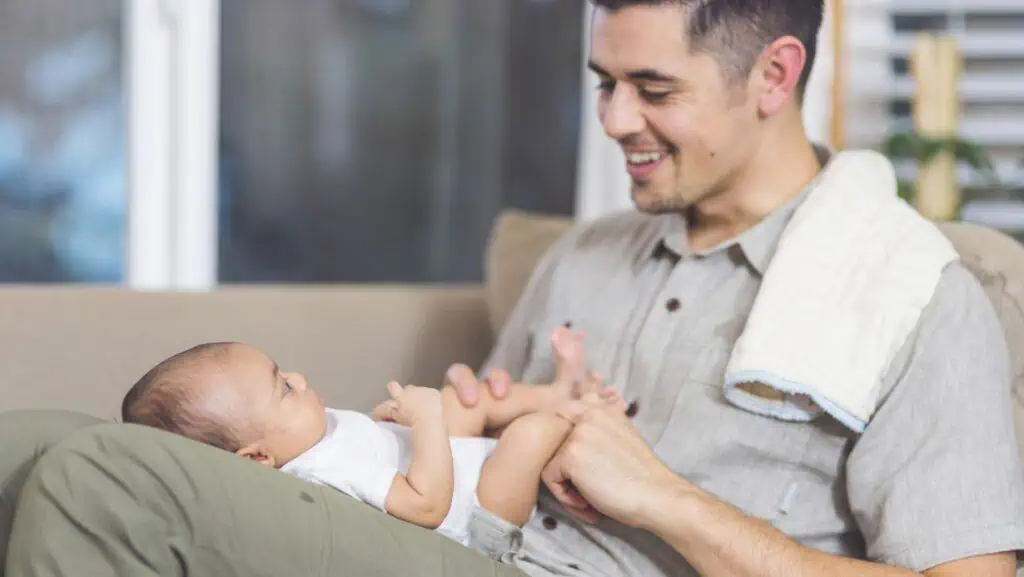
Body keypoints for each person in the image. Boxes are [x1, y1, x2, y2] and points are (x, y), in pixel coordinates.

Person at [2, 0, 1023, 576]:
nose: (614, 121)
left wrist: (669, 500)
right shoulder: (584, 257)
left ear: (773, 76)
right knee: (28, 444)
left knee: (105, 481)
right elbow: (467, 484)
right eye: (602, 85)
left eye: (652, 90)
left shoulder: (917, 296)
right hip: (469, 548)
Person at [118, 334, 621, 545]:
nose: (298, 377)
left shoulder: (305, 442)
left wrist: (390, 430)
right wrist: (424, 427)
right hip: (477, 513)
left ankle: (559, 390)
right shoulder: (322, 477)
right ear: (257, 458)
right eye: (285, 388)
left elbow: (371, 452)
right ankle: (577, 413)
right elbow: (425, 508)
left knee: (464, 402)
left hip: (454, 462)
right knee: (530, 434)